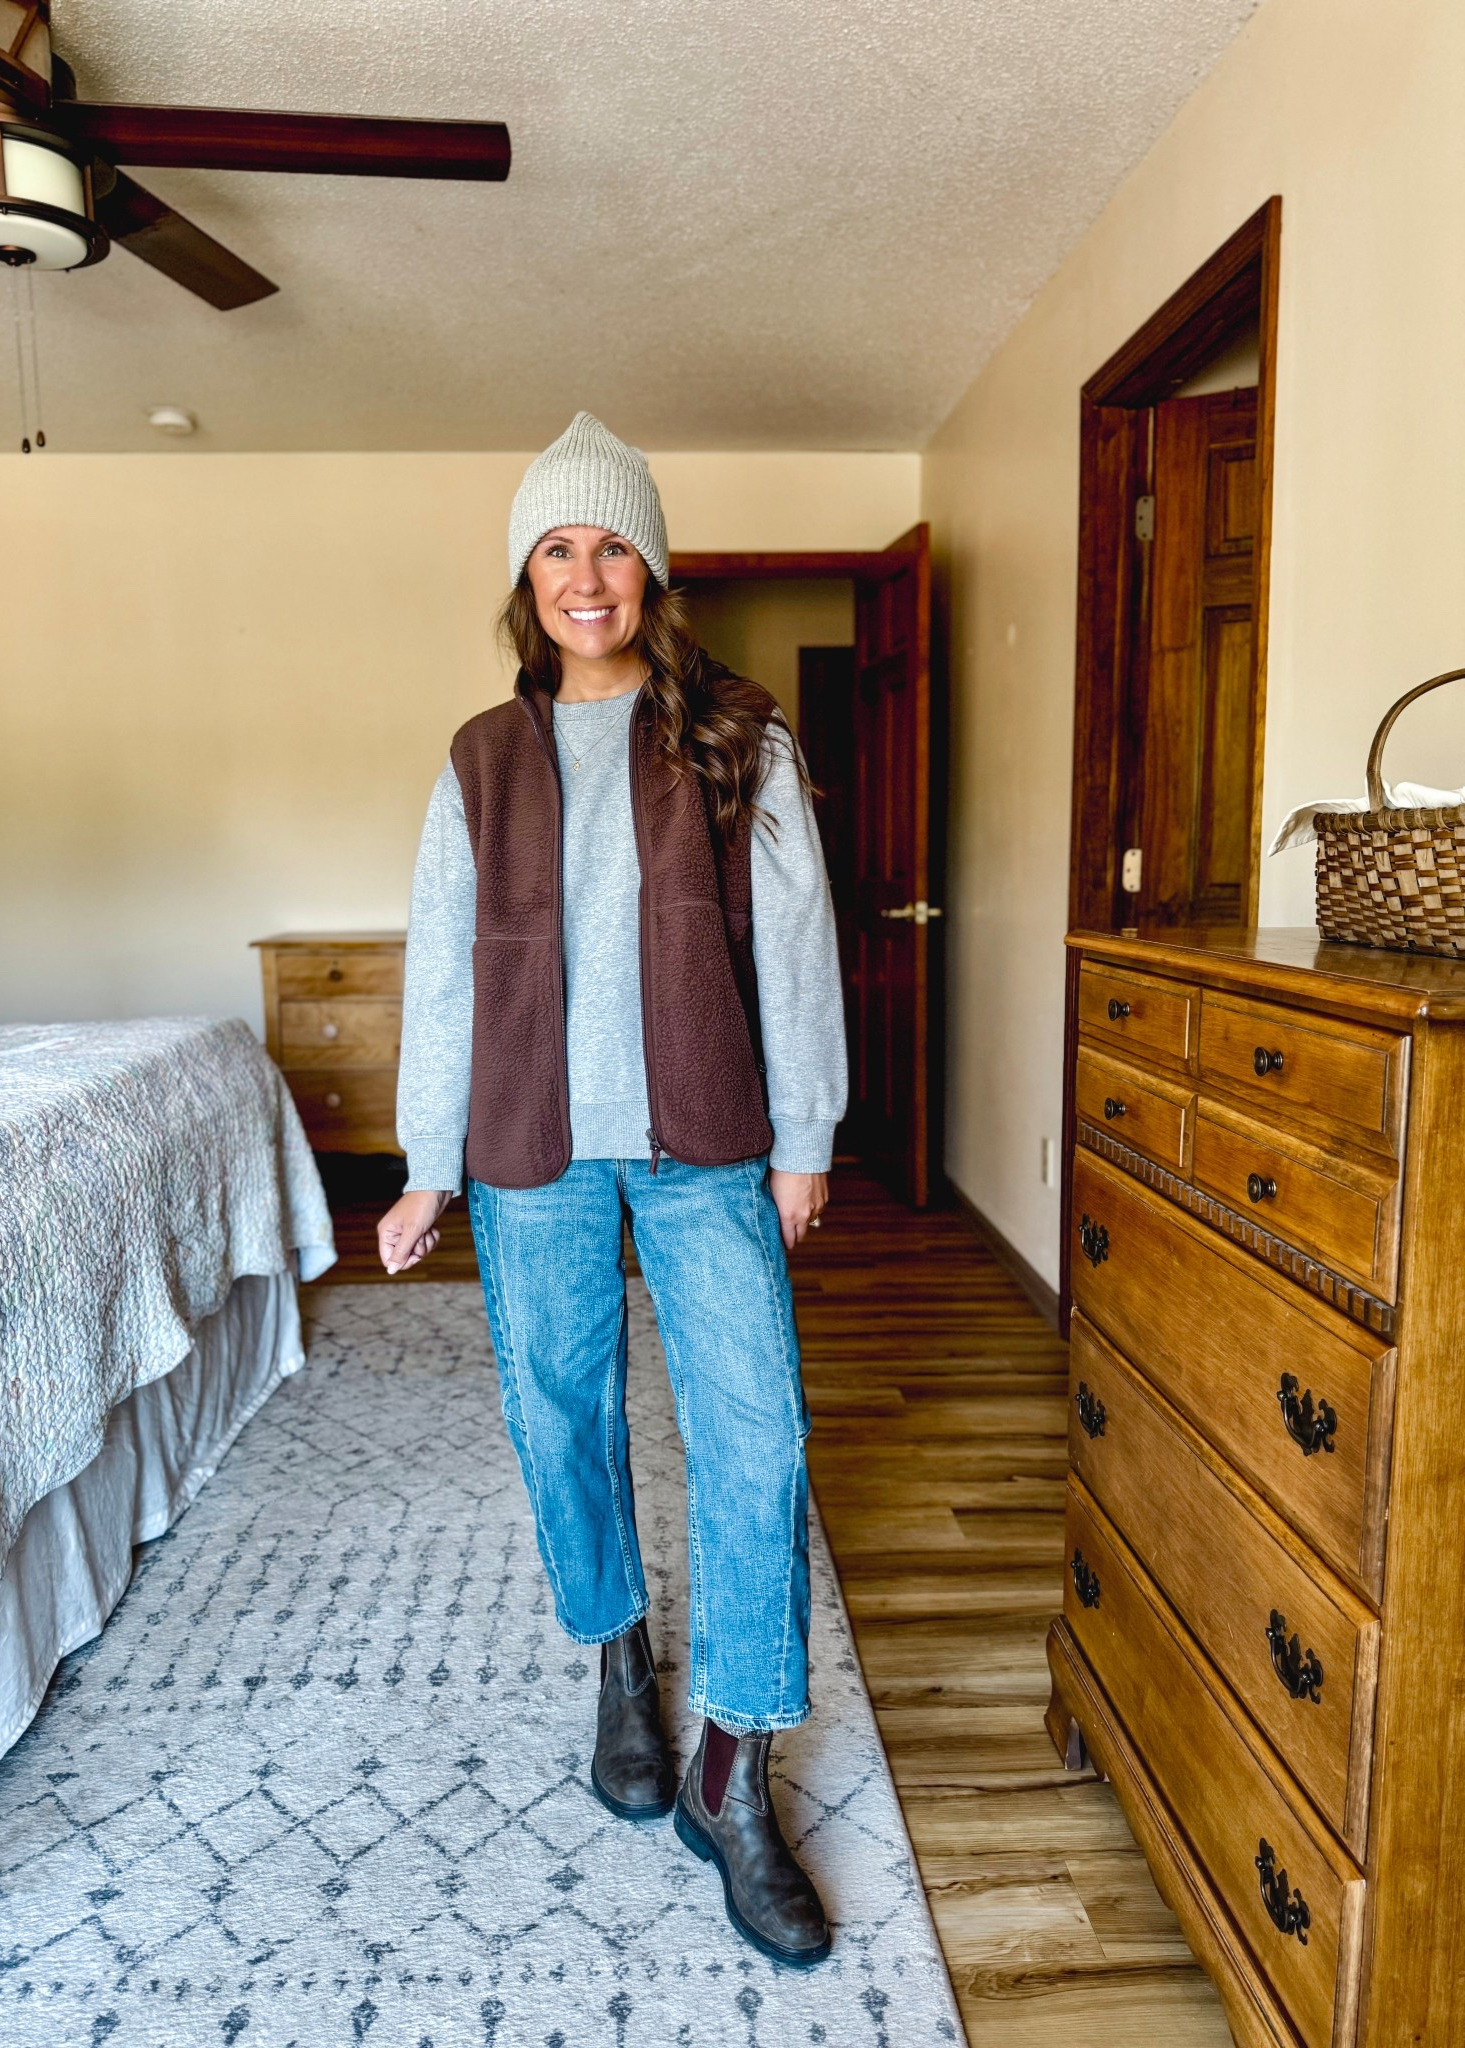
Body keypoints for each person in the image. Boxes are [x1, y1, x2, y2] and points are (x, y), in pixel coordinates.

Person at [378, 413, 847, 1968]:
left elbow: (796, 946)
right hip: (535, 1152)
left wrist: (805, 1138)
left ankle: (735, 1769)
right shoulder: (480, 760)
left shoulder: (739, 734)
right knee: (561, 1419)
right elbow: (444, 977)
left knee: (758, 1441)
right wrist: (425, 1164)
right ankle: (619, 1665)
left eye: (613, 545)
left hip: (707, 1145)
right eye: (557, 550)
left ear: (653, 566)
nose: (588, 578)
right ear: (528, 578)